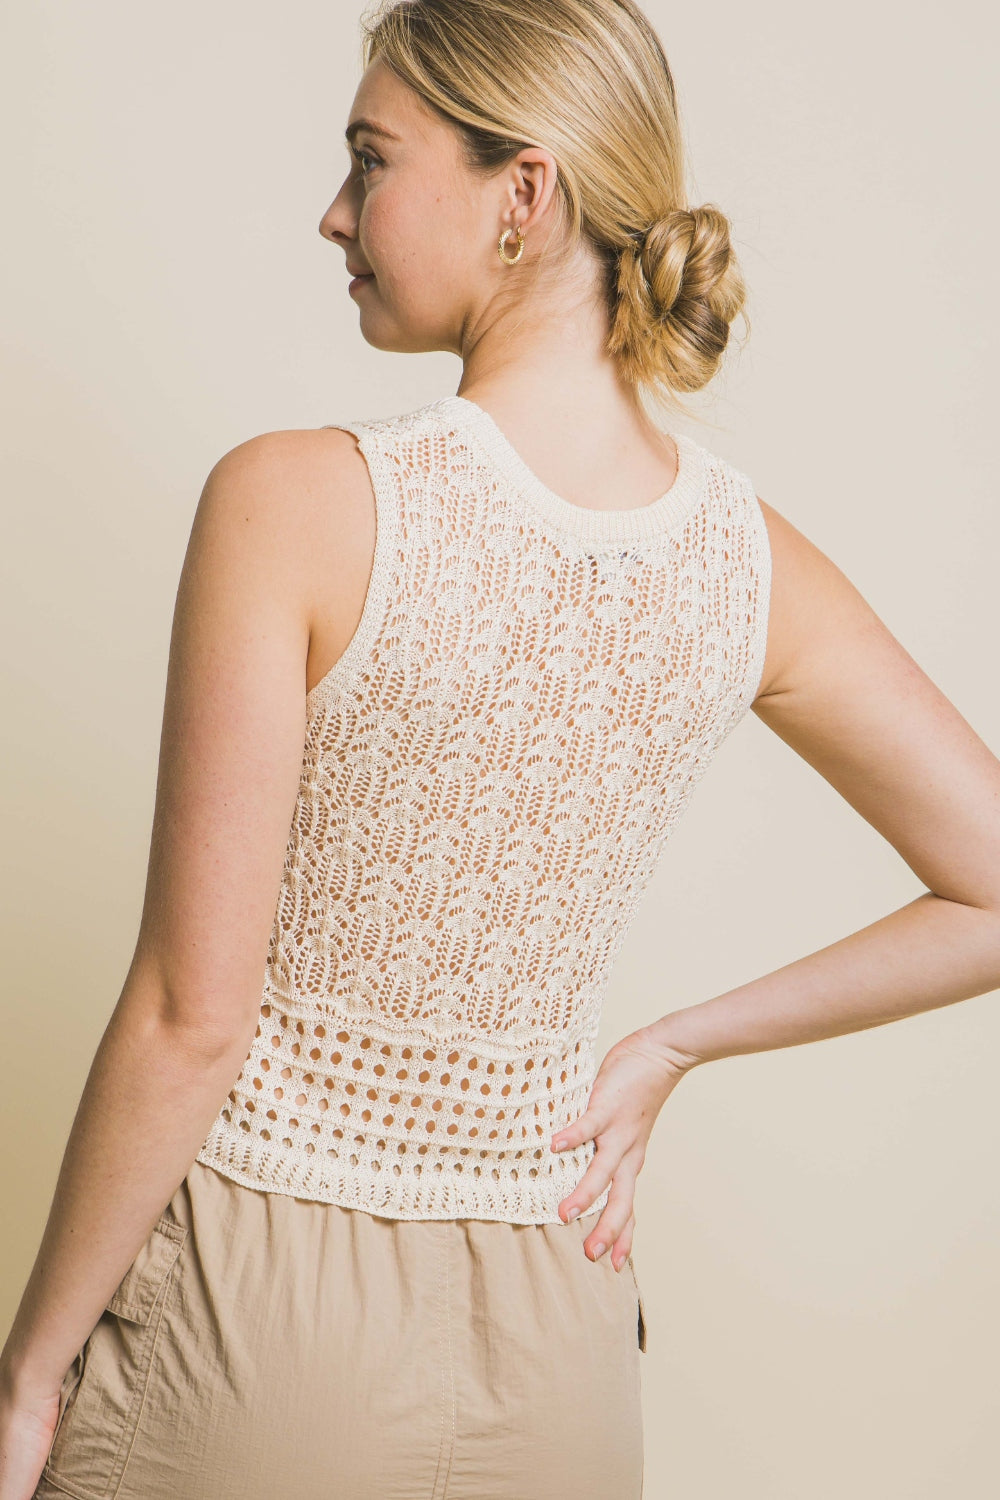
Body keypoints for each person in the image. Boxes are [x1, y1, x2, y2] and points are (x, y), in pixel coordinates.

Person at [3, 1, 999, 1496]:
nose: (333, 212)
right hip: (562, 1332)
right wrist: (670, 1048)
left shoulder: (292, 501)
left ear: (524, 196)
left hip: (264, 1305)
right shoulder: (747, 565)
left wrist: (32, 1374)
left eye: (370, 160)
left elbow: (187, 1016)